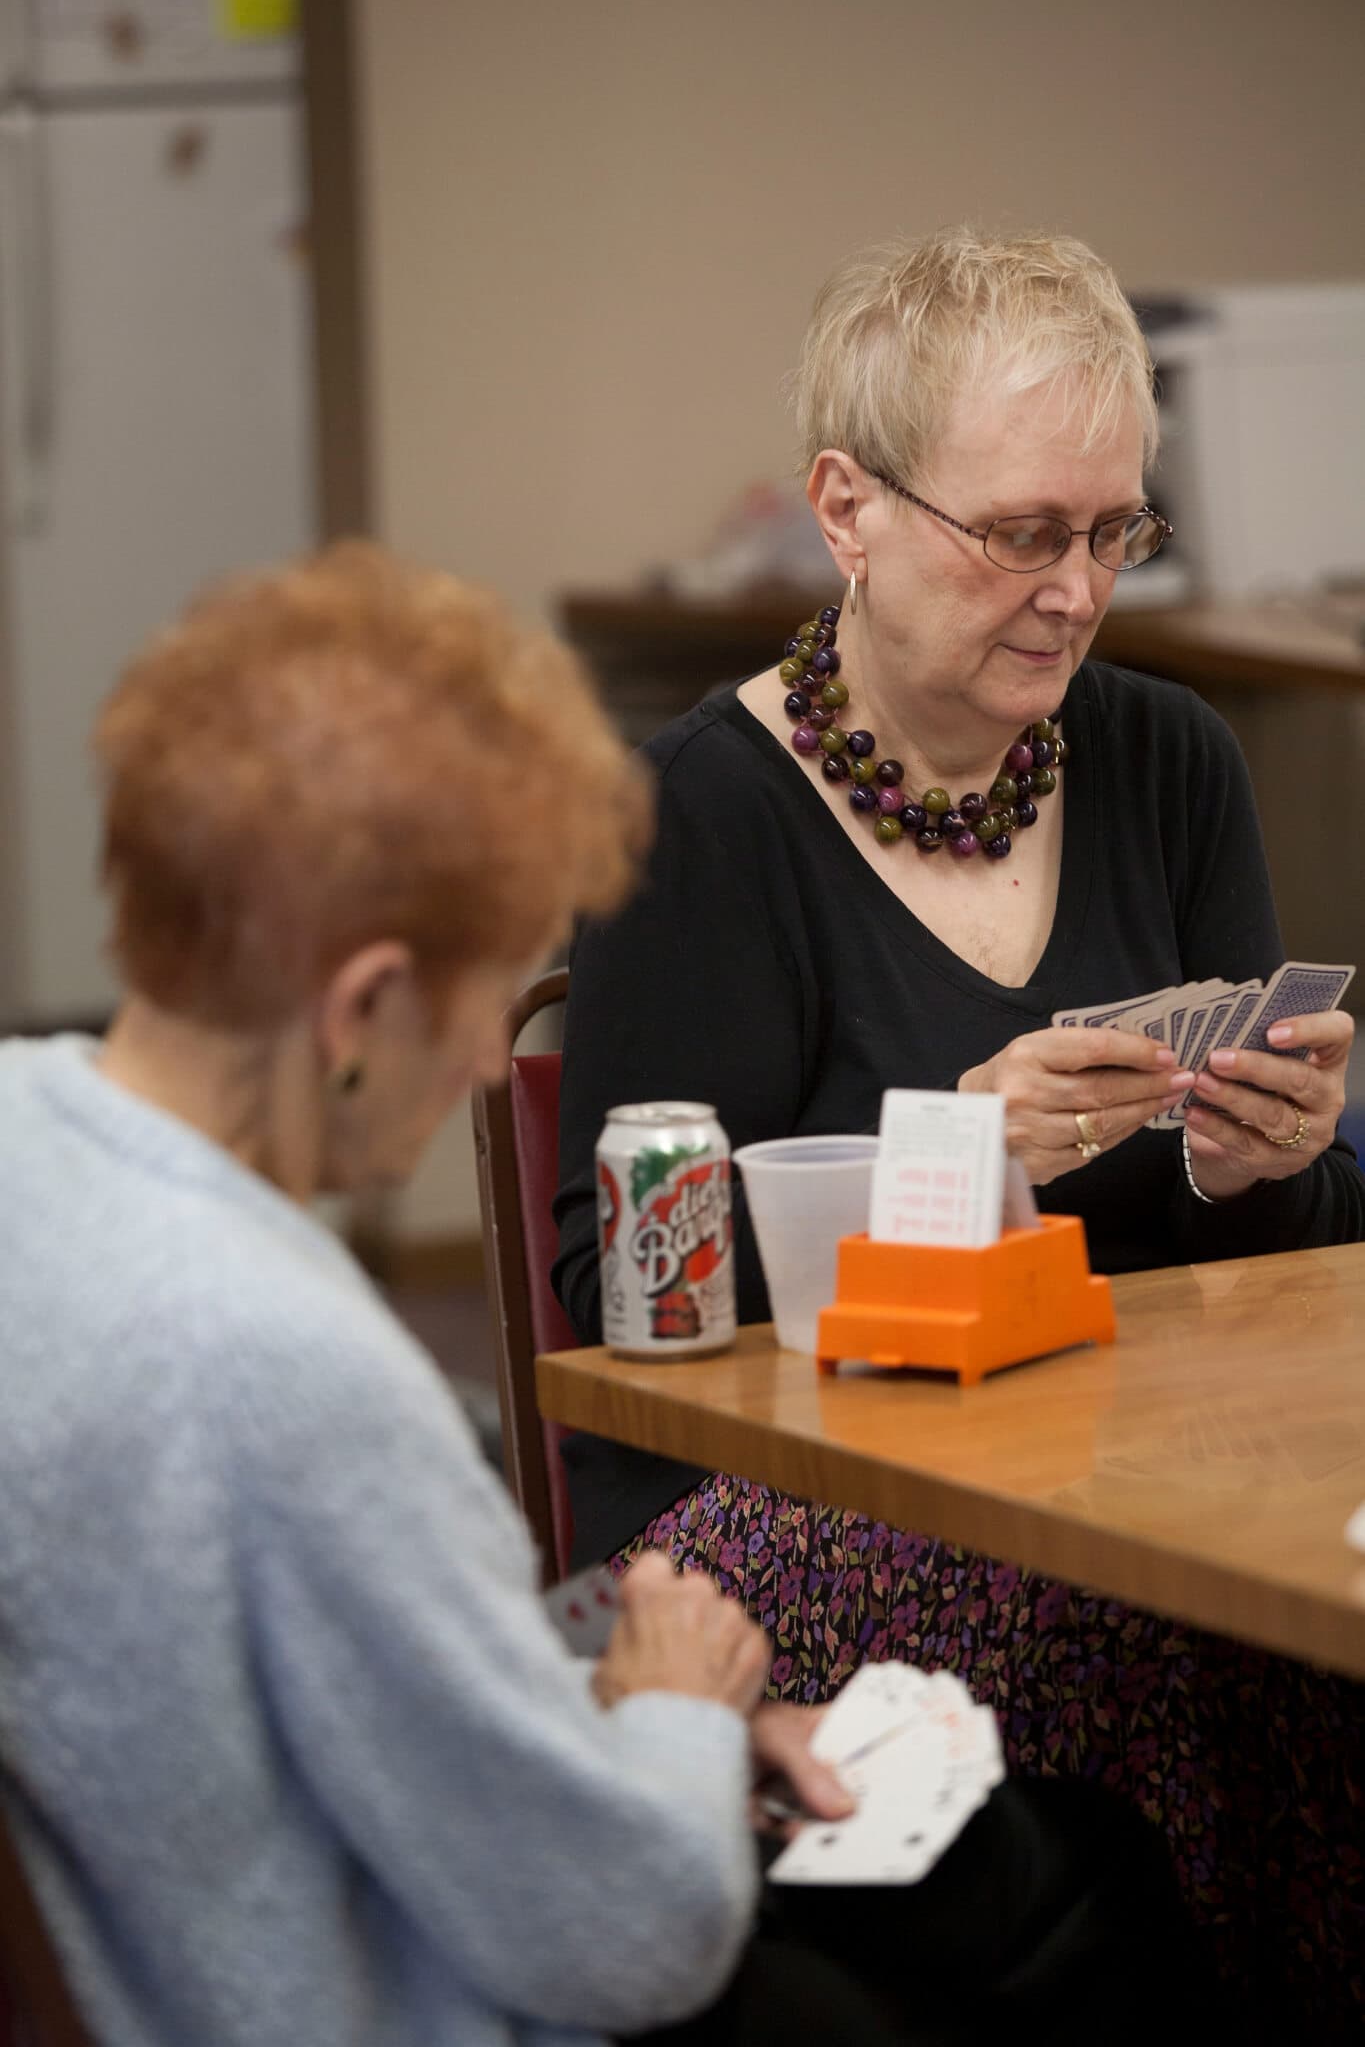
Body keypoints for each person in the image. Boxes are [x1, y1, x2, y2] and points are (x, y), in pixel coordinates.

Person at [0, 542, 1220, 2047]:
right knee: (1083, 1894)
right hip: (417, 1984)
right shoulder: (293, 1368)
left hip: (284, 1889)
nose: (476, 1075)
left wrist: (634, 1724)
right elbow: (623, 1937)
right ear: (366, 1002)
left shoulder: (26, 1160)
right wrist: (683, 1708)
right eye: (468, 1007)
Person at [553, 229, 1365, 2036]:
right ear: (844, 508)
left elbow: (1292, 1265)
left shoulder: (1167, 766)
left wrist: (1272, 1162)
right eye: (1018, 534)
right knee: (1219, 1661)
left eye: (1112, 534)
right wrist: (948, 1154)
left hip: (1162, 1475)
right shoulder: (697, 818)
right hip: (789, 1512)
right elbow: (613, 1311)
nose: (1074, 594)